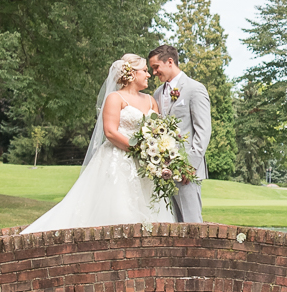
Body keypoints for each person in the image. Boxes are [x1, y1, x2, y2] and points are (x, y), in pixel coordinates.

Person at [21, 55, 175, 234]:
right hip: (119, 160)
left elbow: (157, 131)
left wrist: (156, 152)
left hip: (146, 165)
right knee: (118, 208)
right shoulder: (115, 98)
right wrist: (139, 149)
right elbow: (110, 132)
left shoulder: (150, 101)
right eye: (145, 71)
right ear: (132, 74)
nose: (149, 75)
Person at [147, 44, 210, 224]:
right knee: (173, 224)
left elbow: (203, 131)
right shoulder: (158, 93)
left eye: (156, 67)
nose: (154, 73)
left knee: (191, 223)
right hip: (164, 170)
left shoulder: (195, 89)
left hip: (186, 170)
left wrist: (190, 165)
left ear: (169, 62)